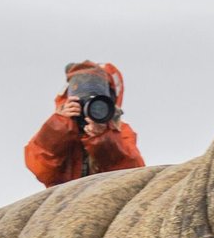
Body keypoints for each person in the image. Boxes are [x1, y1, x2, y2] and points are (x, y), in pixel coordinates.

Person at [24, 60, 145, 188]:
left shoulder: (120, 131)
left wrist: (103, 138)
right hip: (64, 198)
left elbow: (133, 172)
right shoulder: (60, 124)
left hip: (106, 194)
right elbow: (40, 167)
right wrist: (61, 124)